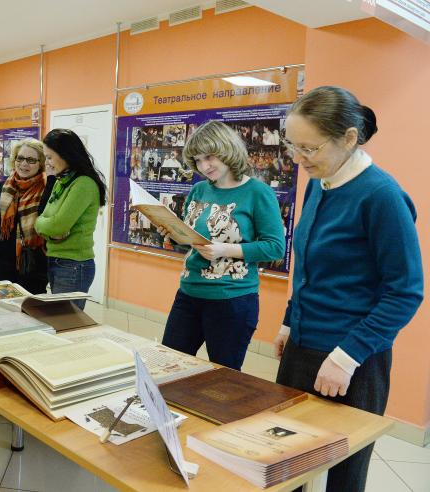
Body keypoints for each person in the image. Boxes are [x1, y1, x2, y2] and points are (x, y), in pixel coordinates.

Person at [273, 86, 423, 492]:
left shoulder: (382, 196)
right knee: (286, 462)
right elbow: (309, 265)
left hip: (353, 360)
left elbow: (405, 292)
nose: (299, 160)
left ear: (349, 139)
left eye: (310, 148)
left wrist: (348, 356)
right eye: (292, 147)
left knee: (344, 474)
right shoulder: (318, 184)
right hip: (304, 346)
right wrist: (290, 320)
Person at [160, 120, 285, 370]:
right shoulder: (198, 190)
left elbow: (274, 248)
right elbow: (192, 243)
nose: (204, 166)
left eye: (209, 157)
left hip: (233, 300)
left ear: (227, 150)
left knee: (223, 380)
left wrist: (225, 250)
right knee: (168, 367)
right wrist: (174, 234)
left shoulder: (258, 192)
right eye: (197, 160)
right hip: (189, 293)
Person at [34, 129, 106, 309]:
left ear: (65, 154)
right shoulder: (62, 181)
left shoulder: (84, 184)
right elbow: (41, 219)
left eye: (50, 157)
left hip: (73, 265)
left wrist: (47, 226)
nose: (48, 164)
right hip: (57, 260)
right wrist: (46, 227)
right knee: (58, 318)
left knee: (65, 322)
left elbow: (57, 225)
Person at [0, 138, 55, 293]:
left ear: (41, 163)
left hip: (32, 266)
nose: (24, 164)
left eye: (31, 160)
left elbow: (47, 222)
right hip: (0, 265)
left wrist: (51, 182)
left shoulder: (48, 189)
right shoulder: (1, 187)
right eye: (20, 158)